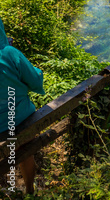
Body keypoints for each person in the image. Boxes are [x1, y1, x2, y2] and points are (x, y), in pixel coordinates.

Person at [0, 18, 45, 194]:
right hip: (19, 119)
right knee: (25, 150)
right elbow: (35, 82)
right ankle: (29, 190)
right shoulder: (10, 53)